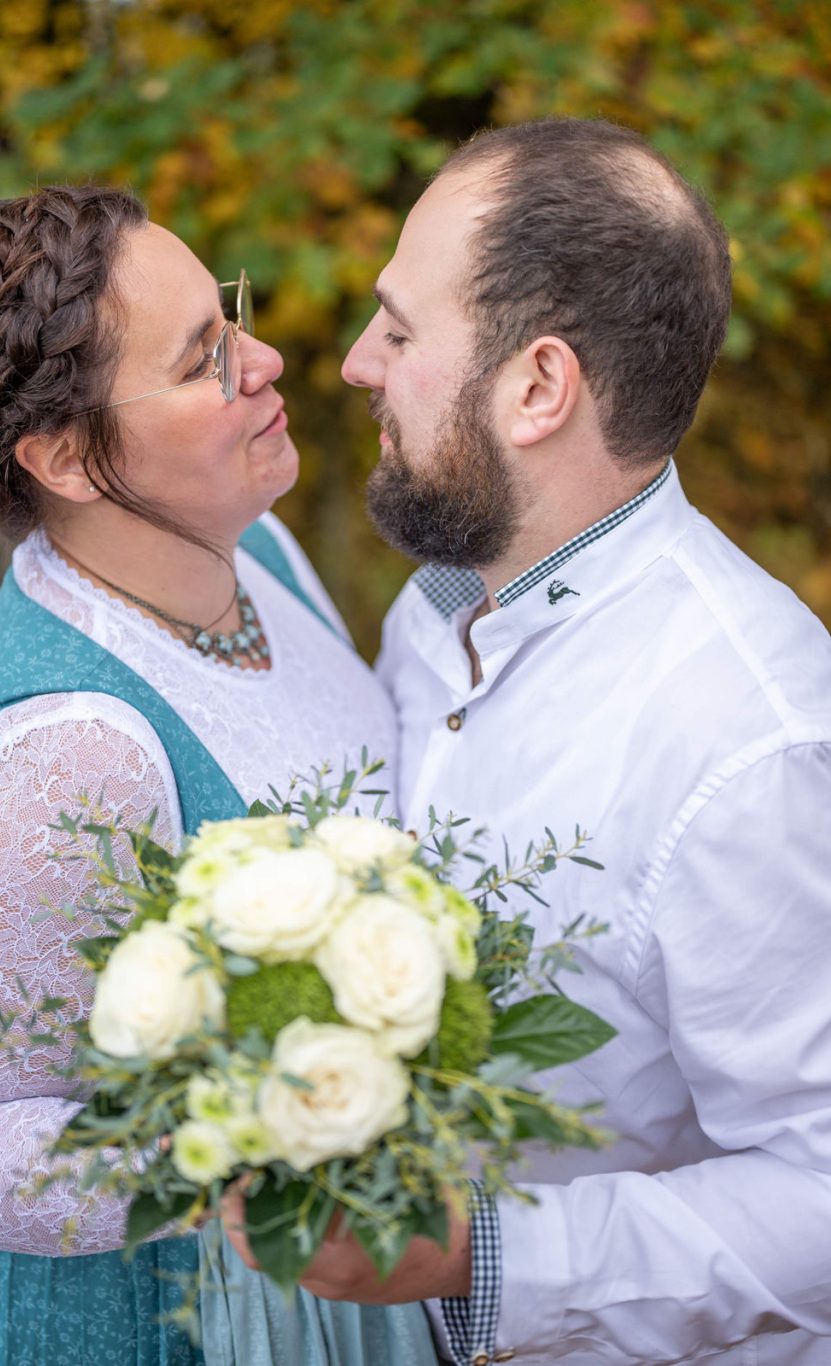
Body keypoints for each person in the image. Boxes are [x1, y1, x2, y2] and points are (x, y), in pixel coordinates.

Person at [225, 118, 831, 1363]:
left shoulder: (747, 744)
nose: (350, 364)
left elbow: (818, 1190)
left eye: (399, 330)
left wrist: (478, 1256)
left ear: (537, 386)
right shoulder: (437, 603)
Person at [0, 186, 440, 1366]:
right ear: (63, 457)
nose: (262, 361)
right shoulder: (64, 753)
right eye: (205, 357)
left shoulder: (259, 545)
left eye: (233, 314)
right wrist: (238, 1147)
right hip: (167, 1321)